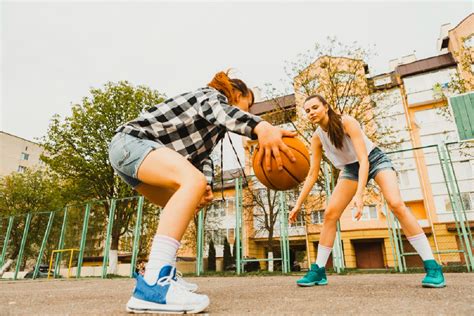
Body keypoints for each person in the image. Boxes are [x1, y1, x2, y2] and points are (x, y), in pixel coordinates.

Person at [108, 71, 297, 314]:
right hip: (131, 143)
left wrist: (204, 186)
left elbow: (201, 159)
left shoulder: (212, 133)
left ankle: (162, 271)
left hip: (135, 155)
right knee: (191, 184)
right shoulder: (209, 96)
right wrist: (261, 126)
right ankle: (153, 286)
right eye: (247, 105)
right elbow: (222, 113)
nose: (248, 112)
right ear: (236, 95)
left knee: (185, 202)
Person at [289, 94, 445, 288]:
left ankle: (433, 267)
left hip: (374, 159)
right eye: (307, 111)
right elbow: (312, 174)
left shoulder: (347, 122)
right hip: (350, 169)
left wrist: (359, 195)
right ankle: (319, 270)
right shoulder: (317, 138)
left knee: (396, 204)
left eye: (314, 107)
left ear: (326, 107)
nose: (311, 112)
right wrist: (297, 204)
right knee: (330, 214)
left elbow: (364, 159)